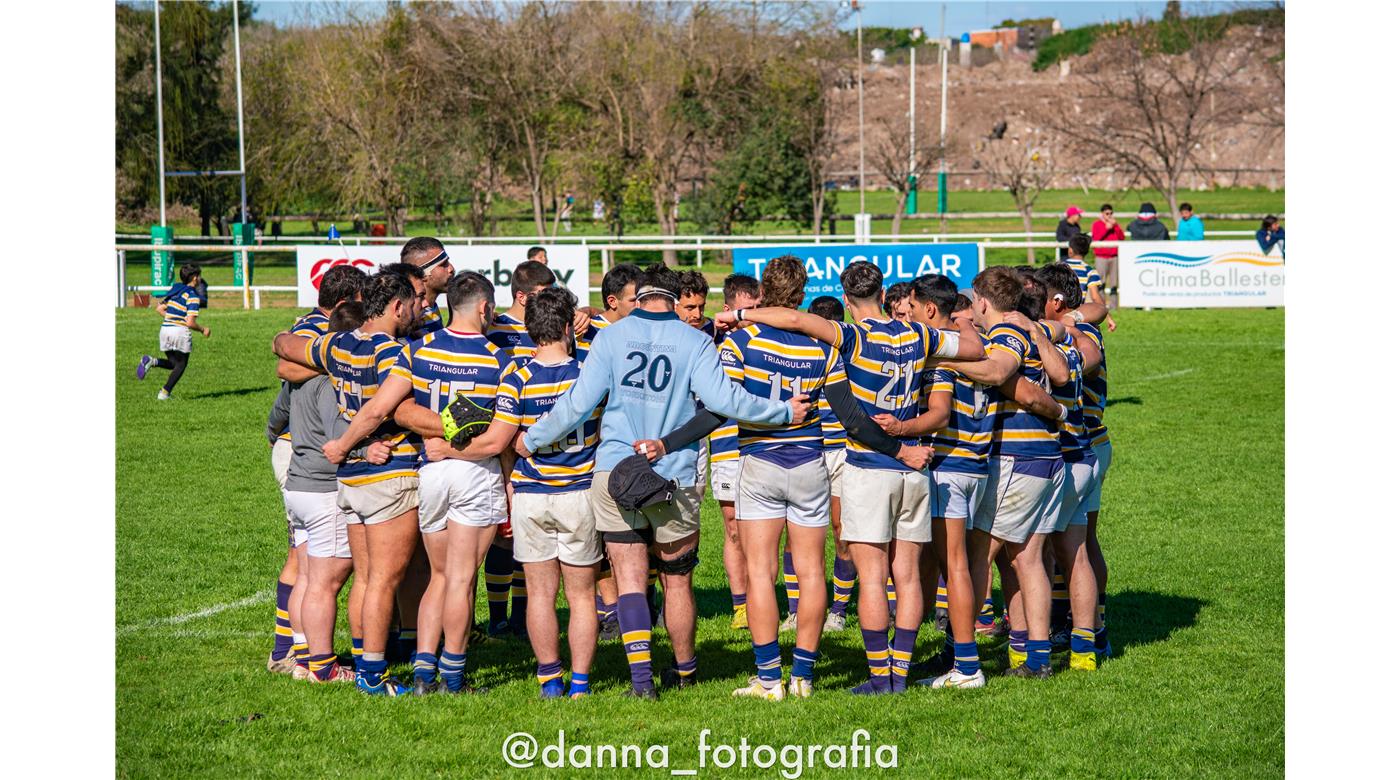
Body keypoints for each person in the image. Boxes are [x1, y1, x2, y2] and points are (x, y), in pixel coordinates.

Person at [518, 263, 805, 699]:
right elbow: (726, 401)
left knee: (630, 580)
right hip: (675, 473)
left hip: (615, 470)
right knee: (677, 578)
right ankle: (685, 670)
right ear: (674, 298)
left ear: (639, 295)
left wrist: (532, 439)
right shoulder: (695, 340)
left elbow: (577, 404)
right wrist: (784, 411)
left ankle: (640, 681)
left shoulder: (610, 337)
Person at [715, 260, 985, 696]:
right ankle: (901, 671)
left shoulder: (852, 335)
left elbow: (797, 319)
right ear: (884, 294)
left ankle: (881, 679)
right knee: (910, 576)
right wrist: (960, 319)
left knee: (873, 577)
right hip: (914, 467)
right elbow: (974, 349)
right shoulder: (919, 334)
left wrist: (742, 314)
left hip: (868, 464)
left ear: (845, 299)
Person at [272, 268, 426, 696]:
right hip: (386, 473)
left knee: (365, 579)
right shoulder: (395, 353)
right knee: (383, 580)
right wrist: (346, 444)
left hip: (351, 481)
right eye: (413, 303)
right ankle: (373, 677)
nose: (419, 309)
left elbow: (282, 345)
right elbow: (381, 412)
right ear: (396, 306)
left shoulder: (339, 344)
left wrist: (286, 343)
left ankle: (363, 666)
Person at [358, 270, 513, 695]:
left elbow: (393, 409)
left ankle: (423, 672)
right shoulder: (498, 360)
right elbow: (502, 436)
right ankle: (453, 675)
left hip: (430, 472)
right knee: (462, 581)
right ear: (484, 308)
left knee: (439, 577)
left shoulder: (418, 348)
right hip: (473, 472)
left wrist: (437, 436)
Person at [454, 286, 604, 698]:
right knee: (581, 595)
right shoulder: (590, 370)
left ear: (529, 326)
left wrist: (507, 483)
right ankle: (581, 683)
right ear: (568, 325)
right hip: (580, 493)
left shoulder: (516, 376)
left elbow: (504, 442)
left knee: (540, 593)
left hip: (530, 494)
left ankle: (549, 678)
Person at [949, 266, 1070, 680]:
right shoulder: (1022, 330)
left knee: (975, 555)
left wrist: (945, 359)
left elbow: (999, 373)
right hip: (1044, 455)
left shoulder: (1005, 335)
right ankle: (1036, 657)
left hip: (1017, 458)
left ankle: (961, 656)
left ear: (982, 302)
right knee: (1029, 559)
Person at [262, 264, 367, 676]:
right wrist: (339, 361)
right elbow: (286, 370)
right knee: (308, 562)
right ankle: (291, 651)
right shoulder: (318, 331)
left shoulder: (323, 329)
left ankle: (301, 652)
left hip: (297, 443)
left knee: (308, 560)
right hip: (309, 451)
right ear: (347, 303)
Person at [283, 301, 381, 684]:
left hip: (298, 486)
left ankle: (305, 658)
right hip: (323, 491)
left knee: (308, 577)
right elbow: (337, 434)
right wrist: (364, 448)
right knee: (328, 582)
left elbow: (276, 419)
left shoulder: (300, 378)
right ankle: (324, 667)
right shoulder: (328, 383)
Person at [1034, 263, 1104, 672]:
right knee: (1075, 551)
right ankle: (1086, 648)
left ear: (1055, 301)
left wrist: (1062, 327)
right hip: (1084, 450)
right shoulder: (1072, 328)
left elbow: (1087, 354)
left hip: (1072, 449)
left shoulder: (1070, 335)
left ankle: (1027, 645)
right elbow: (1096, 308)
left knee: (1035, 553)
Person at [710, 273, 763, 631]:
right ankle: (741, 605)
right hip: (727, 445)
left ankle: (774, 601)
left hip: (763, 443)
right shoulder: (708, 342)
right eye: (746, 310)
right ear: (728, 310)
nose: (753, 315)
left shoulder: (771, 339)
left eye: (758, 308)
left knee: (765, 528)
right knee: (732, 528)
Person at [808, 296, 856, 635]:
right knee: (802, 535)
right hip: (809, 449)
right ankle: (799, 610)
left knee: (842, 530)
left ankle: (838, 609)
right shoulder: (802, 352)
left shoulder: (854, 354)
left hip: (842, 451)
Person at [137, 263, 210, 400]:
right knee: (181, 365)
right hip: (179, 332)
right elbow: (190, 322)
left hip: (165, 330)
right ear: (194, 278)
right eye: (199, 276)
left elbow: (159, 309)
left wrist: (173, 318)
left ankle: (150, 361)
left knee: (174, 364)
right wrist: (203, 329)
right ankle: (164, 393)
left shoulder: (176, 290)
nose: (200, 278)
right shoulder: (193, 295)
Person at [401, 237, 456, 336]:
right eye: (443, 265)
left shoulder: (431, 306)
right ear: (423, 273)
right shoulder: (411, 318)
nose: (451, 268)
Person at [1064, 234, 1117, 333]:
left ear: (1070, 250)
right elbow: (1095, 297)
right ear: (1087, 252)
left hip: (1058, 313)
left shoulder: (1058, 267)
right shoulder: (1089, 271)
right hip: (1077, 316)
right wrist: (1108, 317)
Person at [1089, 204, 1125, 297]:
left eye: (1111, 213)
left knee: (1114, 283)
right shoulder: (1096, 224)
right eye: (1107, 213)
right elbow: (1096, 238)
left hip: (1114, 256)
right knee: (1100, 283)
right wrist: (1106, 229)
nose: (1109, 215)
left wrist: (1115, 226)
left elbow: (1121, 237)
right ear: (1102, 214)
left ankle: (1113, 306)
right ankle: (1101, 305)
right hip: (1101, 257)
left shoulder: (1115, 225)